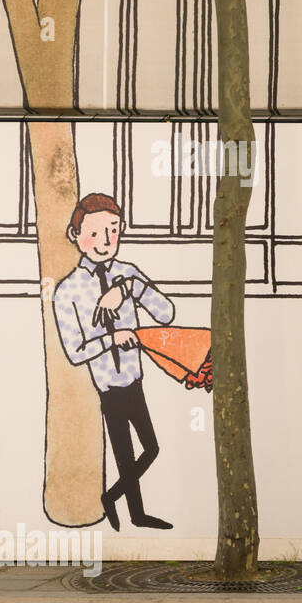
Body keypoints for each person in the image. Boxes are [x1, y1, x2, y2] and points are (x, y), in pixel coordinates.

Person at [52, 193, 176, 530]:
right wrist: (113, 339)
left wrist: (130, 288)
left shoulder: (128, 273)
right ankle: (135, 513)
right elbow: (75, 350)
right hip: (108, 387)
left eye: (113, 230)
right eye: (95, 233)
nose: (106, 241)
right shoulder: (68, 291)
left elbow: (166, 313)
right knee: (123, 454)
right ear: (75, 235)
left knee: (151, 448)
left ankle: (112, 497)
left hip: (134, 379)